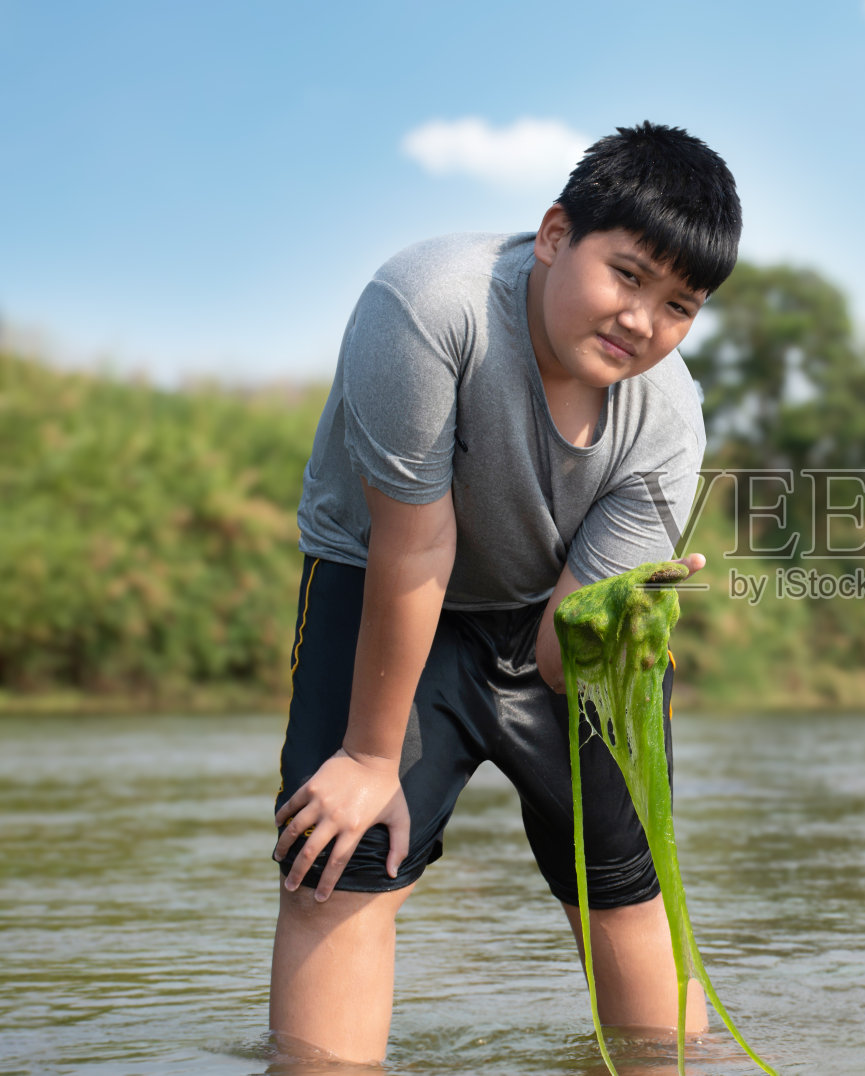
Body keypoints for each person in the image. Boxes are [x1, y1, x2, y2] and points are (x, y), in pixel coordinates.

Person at [267, 121, 740, 1065]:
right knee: (339, 861)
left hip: (552, 606)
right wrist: (369, 757)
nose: (643, 320)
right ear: (557, 234)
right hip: (385, 583)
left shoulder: (668, 423)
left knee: (624, 873)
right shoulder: (428, 309)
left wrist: (629, 620)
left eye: (680, 304)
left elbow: (564, 651)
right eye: (629, 275)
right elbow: (416, 543)